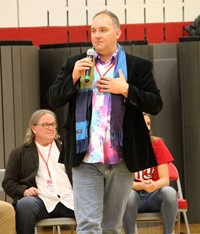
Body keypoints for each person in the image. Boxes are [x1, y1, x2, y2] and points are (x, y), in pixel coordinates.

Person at [48, 10, 163, 234]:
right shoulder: (76, 63)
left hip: (122, 158)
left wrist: (127, 90)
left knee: (111, 227)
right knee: (88, 225)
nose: (97, 35)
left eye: (103, 30)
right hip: (86, 158)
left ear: (117, 33)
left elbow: (156, 104)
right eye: (93, 31)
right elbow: (53, 98)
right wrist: (72, 79)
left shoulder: (138, 67)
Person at [2, 109, 74, 234]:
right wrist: (24, 190)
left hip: (69, 199)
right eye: (46, 125)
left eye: (53, 124)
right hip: (41, 200)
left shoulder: (67, 149)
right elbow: (8, 182)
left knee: (92, 206)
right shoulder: (19, 153)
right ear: (34, 128)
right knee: (25, 205)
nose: (51, 128)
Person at [123, 113, 178, 234]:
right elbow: (122, 182)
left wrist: (152, 185)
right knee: (128, 195)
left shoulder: (157, 144)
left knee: (170, 192)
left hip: (154, 197)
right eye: (143, 124)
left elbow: (165, 180)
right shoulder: (124, 147)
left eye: (149, 124)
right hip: (133, 198)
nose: (147, 127)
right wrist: (140, 186)